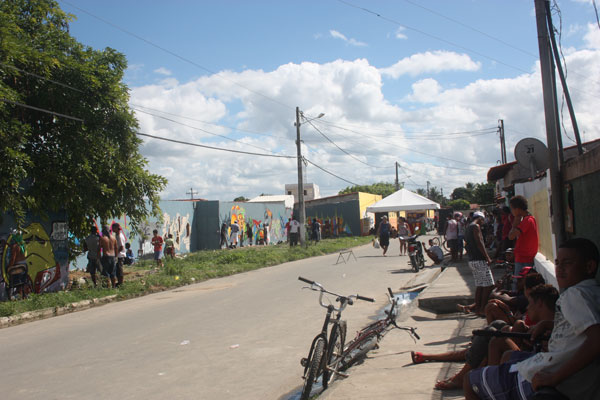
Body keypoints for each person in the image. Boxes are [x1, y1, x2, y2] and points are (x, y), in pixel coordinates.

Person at [465, 238, 600, 400]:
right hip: (559, 373)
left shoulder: (574, 295)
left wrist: (554, 378)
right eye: (557, 263)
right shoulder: (591, 293)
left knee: (470, 381)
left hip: (555, 378)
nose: (560, 269)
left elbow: (596, 338)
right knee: (506, 355)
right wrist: (549, 324)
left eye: (567, 263)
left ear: (589, 267)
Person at [459, 211, 494, 315]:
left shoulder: (468, 227)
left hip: (472, 260)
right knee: (489, 285)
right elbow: (479, 242)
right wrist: (487, 257)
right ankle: (482, 308)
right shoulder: (476, 227)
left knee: (480, 285)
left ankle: (477, 308)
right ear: (481, 219)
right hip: (479, 259)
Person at [508, 196, 539, 291]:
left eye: (512, 209)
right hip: (523, 256)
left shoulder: (527, 221)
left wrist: (515, 223)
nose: (512, 212)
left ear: (517, 209)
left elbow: (511, 236)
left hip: (524, 258)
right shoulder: (529, 219)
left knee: (517, 284)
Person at [112, 223, 127, 287]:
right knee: (118, 270)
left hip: (120, 255)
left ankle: (121, 283)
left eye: (113, 228)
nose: (112, 229)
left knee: (119, 269)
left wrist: (116, 253)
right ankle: (119, 282)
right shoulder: (117, 235)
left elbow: (121, 247)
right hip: (119, 254)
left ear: (116, 228)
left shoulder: (119, 236)